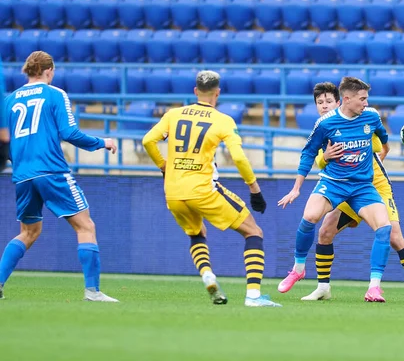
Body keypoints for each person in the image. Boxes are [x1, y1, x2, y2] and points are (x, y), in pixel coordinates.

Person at [142, 70, 281, 308]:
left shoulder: (173, 115)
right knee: (253, 232)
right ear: (218, 92)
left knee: (197, 234)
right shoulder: (223, 120)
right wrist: (254, 189)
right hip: (204, 189)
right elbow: (238, 157)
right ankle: (254, 296)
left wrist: (164, 166)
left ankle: (207, 274)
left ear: (195, 91)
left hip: (173, 192)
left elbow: (148, 141)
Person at [296, 82, 404, 303]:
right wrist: (326, 156)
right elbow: (320, 163)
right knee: (325, 232)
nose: (324, 106)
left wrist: (376, 156)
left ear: (341, 101)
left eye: (328, 102)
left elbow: (378, 144)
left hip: (374, 186)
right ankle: (323, 287)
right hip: (346, 188)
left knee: (394, 237)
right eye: (320, 103)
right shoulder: (326, 127)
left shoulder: (364, 120)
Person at [0, 51, 118, 302]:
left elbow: (5, 140)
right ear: (49, 71)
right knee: (85, 226)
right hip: (52, 170)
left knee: (28, 232)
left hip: (23, 175)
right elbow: (70, 133)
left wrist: (18, 160)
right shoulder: (55, 94)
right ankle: (93, 291)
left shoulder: (9, 100)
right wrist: (102, 142)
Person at [277, 77, 394, 302]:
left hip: (362, 186)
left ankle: (374, 288)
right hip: (333, 183)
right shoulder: (326, 123)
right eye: (362, 98)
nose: (366, 102)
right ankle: (298, 268)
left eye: (366, 98)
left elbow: (383, 135)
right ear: (347, 99)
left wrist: (385, 149)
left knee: (384, 228)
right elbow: (308, 153)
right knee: (310, 217)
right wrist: (296, 188)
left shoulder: (371, 116)